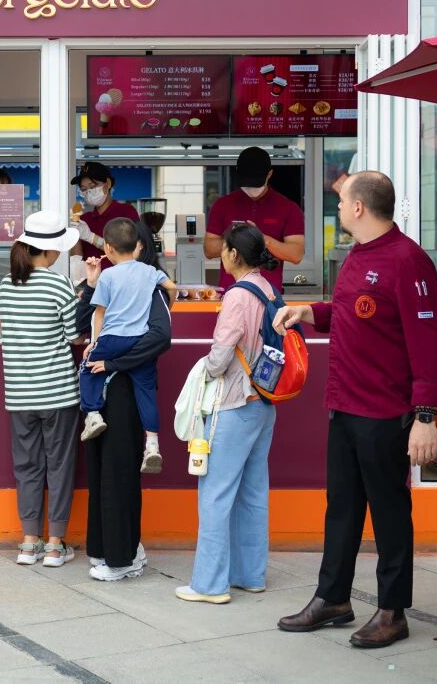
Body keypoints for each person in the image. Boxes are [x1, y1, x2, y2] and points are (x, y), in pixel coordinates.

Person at [273, 171, 437, 649]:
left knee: (389, 513)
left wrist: (425, 416)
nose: (338, 207)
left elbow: (429, 343)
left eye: (342, 201)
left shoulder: (408, 260)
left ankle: (393, 610)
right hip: (344, 403)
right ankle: (333, 598)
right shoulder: (356, 255)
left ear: (358, 208)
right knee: (342, 509)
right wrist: (310, 311)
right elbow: (351, 312)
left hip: (385, 412)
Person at [176, 223, 279, 605]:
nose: (220, 254)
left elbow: (220, 358)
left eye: (224, 249)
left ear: (234, 254)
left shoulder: (237, 295)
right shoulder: (267, 288)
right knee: (253, 493)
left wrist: (204, 366)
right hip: (263, 403)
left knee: (215, 494)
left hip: (235, 403)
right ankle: (250, 575)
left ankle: (210, 584)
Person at [77, 220, 172, 581]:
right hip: (103, 391)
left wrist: (114, 362)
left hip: (123, 391)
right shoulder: (109, 280)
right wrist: (89, 285)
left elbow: (160, 336)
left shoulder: (151, 288)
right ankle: (108, 548)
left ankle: (122, 558)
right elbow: (81, 324)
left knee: (118, 473)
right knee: (102, 472)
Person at [0, 211, 83, 568]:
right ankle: (55, 545)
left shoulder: (6, 285)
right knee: (59, 467)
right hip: (58, 393)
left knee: (26, 467)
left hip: (20, 394)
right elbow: (74, 336)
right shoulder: (59, 285)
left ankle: (29, 543)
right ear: (49, 251)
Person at [80, 218, 177, 474]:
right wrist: (171, 305)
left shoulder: (108, 276)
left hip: (112, 339)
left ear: (108, 248)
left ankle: (93, 416)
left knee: (88, 369)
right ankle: (152, 445)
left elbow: (99, 313)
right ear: (137, 246)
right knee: (146, 392)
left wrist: (95, 342)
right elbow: (172, 287)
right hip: (139, 339)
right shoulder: (150, 272)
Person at [205, 147, 305, 293]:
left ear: (269, 174)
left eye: (256, 181)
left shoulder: (288, 208)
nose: (251, 187)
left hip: (268, 297)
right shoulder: (222, 205)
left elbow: (296, 254)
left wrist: (264, 240)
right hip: (230, 294)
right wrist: (238, 240)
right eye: (247, 181)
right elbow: (209, 250)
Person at [72, 162, 140, 267]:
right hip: (90, 276)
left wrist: (91, 237)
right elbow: (77, 260)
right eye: (84, 189)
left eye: (93, 186)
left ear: (108, 183)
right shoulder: (84, 220)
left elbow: (129, 253)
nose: (88, 192)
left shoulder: (126, 212)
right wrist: (73, 236)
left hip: (120, 276)